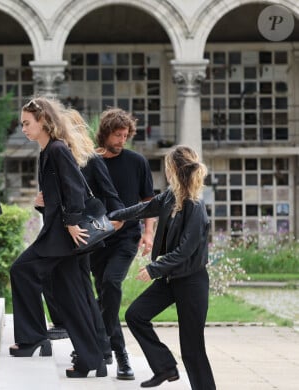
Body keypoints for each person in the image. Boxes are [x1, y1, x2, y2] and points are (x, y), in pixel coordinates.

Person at [9, 97, 107, 378]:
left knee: (22, 270)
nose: (23, 128)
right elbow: (60, 192)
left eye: (27, 123)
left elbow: (75, 187)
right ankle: (94, 360)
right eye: (22, 123)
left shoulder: (57, 149)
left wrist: (73, 222)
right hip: (59, 235)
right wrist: (43, 201)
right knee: (71, 298)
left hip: (61, 237)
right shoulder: (47, 152)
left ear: (43, 121)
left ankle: (32, 338)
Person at [109, 145, 216, 389]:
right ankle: (165, 367)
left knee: (192, 349)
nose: (166, 173)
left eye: (168, 168)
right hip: (171, 279)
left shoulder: (195, 206)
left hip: (191, 281)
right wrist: (114, 215)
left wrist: (155, 269)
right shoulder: (170, 196)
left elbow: (185, 251)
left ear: (176, 170)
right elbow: (144, 208)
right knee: (135, 315)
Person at [43, 108, 125, 367]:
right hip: (65, 237)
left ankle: (99, 348)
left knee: (82, 293)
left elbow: (112, 198)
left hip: (82, 237)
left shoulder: (90, 159)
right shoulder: (61, 157)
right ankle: (94, 346)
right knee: (74, 290)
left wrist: (112, 223)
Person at [89, 107, 156, 380]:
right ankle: (103, 345)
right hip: (95, 239)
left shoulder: (137, 162)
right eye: (117, 135)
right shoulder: (89, 161)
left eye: (125, 135)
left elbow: (149, 202)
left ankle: (119, 353)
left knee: (112, 284)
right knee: (103, 293)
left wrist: (148, 233)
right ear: (105, 133)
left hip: (126, 238)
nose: (122, 140)